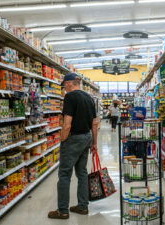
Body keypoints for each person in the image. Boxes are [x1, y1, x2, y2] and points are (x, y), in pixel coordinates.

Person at [48, 73, 99, 219]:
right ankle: (83, 206)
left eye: (64, 85)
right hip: (87, 137)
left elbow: (67, 123)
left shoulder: (70, 97)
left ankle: (62, 210)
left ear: (70, 83)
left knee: (64, 174)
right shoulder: (89, 97)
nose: (64, 88)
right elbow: (94, 123)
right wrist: (94, 142)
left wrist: (63, 140)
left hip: (74, 138)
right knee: (82, 173)